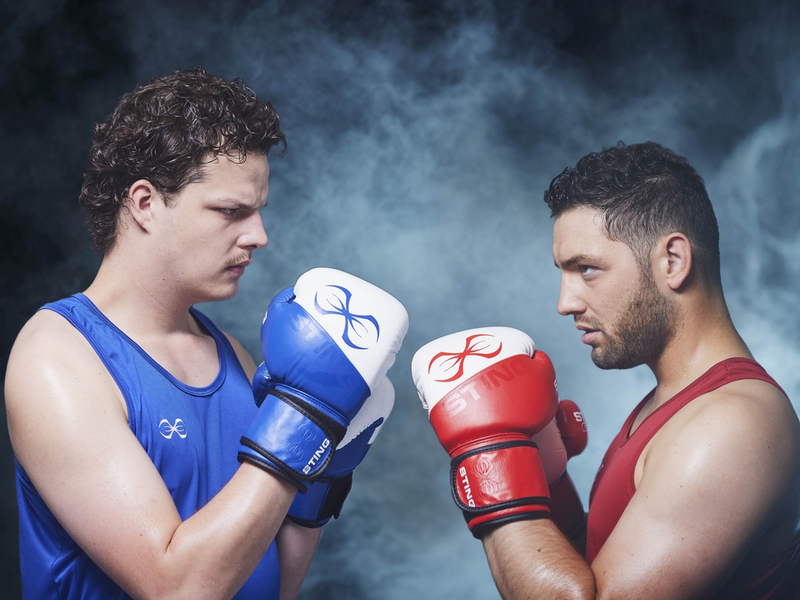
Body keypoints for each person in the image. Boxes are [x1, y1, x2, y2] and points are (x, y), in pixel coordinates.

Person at [4, 67, 408, 599]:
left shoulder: (234, 358)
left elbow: (272, 584)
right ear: (145, 204)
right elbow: (178, 589)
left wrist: (321, 480)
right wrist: (303, 420)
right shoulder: (57, 361)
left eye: (258, 211)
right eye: (230, 212)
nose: (259, 236)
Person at [412, 142, 800, 598]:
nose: (565, 303)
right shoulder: (673, 403)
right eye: (563, 272)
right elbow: (597, 572)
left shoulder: (732, 424)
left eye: (587, 269)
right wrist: (546, 484)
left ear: (672, 261)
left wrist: (487, 453)